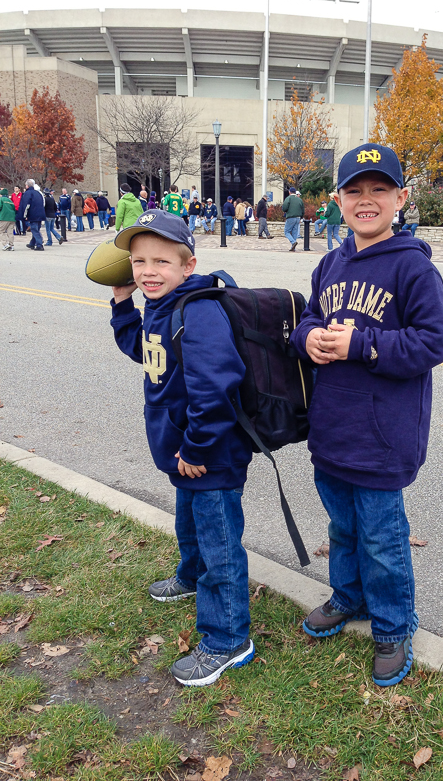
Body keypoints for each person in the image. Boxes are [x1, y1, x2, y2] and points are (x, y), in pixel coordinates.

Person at [290, 143, 443, 688]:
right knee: (342, 528)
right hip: (332, 428)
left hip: (383, 437)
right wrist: (307, 336)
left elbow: (434, 342)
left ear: (400, 197)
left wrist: (362, 345)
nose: (366, 200)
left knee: (382, 538)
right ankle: (348, 597)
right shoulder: (329, 263)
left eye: (378, 189)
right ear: (337, 200)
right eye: (354, 190)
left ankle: (392, 625)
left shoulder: (413, 267)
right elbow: (308, 317)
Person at [109, 210, 254, 687]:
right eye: (138, 261)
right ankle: (190, 575)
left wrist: (196, 448)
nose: (148, 271)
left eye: (161, 262)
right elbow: (146, 351)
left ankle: (229, 638)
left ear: (188, 265)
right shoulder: (160, 303)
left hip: (208, 451)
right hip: (183, 451)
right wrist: (121, 305)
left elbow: (216, 388)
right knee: (189, 519)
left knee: (219, 542)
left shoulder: (199, 309)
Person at [17, 179, 46, 250]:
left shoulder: (28, 193)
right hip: (40, 213)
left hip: (33, 214)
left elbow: (26, 205)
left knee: (34, 229)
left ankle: (39, 245)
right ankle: (32, 243)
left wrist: (24, 216)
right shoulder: (38, 193)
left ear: (27, 186)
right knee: (36, 229)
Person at [283, 187, 305, 251]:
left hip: (291, 217)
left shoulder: (288, 198)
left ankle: (293, 242)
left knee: (286, 231)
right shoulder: (299, 200)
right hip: (298, 217)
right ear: (295, 192)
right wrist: (301, 217)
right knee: (295, 233)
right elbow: (303, 210)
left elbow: (284, 208)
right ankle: (293, 248)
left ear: (289, 192)